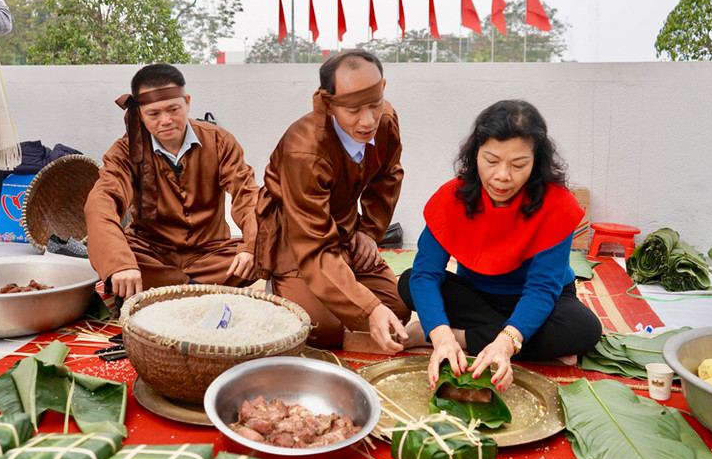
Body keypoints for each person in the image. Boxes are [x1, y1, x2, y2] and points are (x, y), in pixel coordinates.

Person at [398, 100, 602, 392]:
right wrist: (441, 337)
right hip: (478, 298)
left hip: (544, 300)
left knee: (582, 329)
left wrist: (506, 343)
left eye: (518, 164)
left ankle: (457, 336)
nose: (502, 176)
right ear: (475, 154)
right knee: (408, 283)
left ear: (536, 163)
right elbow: (425, 274)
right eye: (491, 161)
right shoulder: (452, 197)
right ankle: (530, 343)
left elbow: (542, 290)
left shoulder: (556, 205)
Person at [255, 49, 410, 352]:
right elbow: (313, 245)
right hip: (296, 234)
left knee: (398, 309)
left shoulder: (386, 120)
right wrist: (369, 310)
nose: (368, 121)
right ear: (329, 104)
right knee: (320, 330)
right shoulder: (304, 150)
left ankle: (343, 285)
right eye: (353, 110)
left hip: (346, 228)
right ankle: (281, 283)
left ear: (384, 89)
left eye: (374, 104)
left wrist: (368, 232)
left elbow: (388, 175)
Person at [85, 63, 260, 300]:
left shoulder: (219, 141)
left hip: (211, 254)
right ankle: (201, 290)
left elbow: (248, 196)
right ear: (140, 115)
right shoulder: (124, 151)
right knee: (117, 256)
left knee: (264, 249)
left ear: (187, 102)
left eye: (173, 109)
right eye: (154, 114)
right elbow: (102, 203)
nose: (166, 120)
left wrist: (250, 247)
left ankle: (166, 290)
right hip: (151, 254)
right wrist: (120, 264)